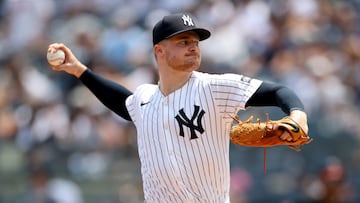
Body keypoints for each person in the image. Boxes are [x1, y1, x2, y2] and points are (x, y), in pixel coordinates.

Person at [47, 13, 309, 203]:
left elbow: (278, 92)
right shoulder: (144, 98)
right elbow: (121, 102)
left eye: (195, 42)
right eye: (183, 42)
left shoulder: (214, 88)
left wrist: (297, 115)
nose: (193, 47)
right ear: (159, 51)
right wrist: (79, 70)